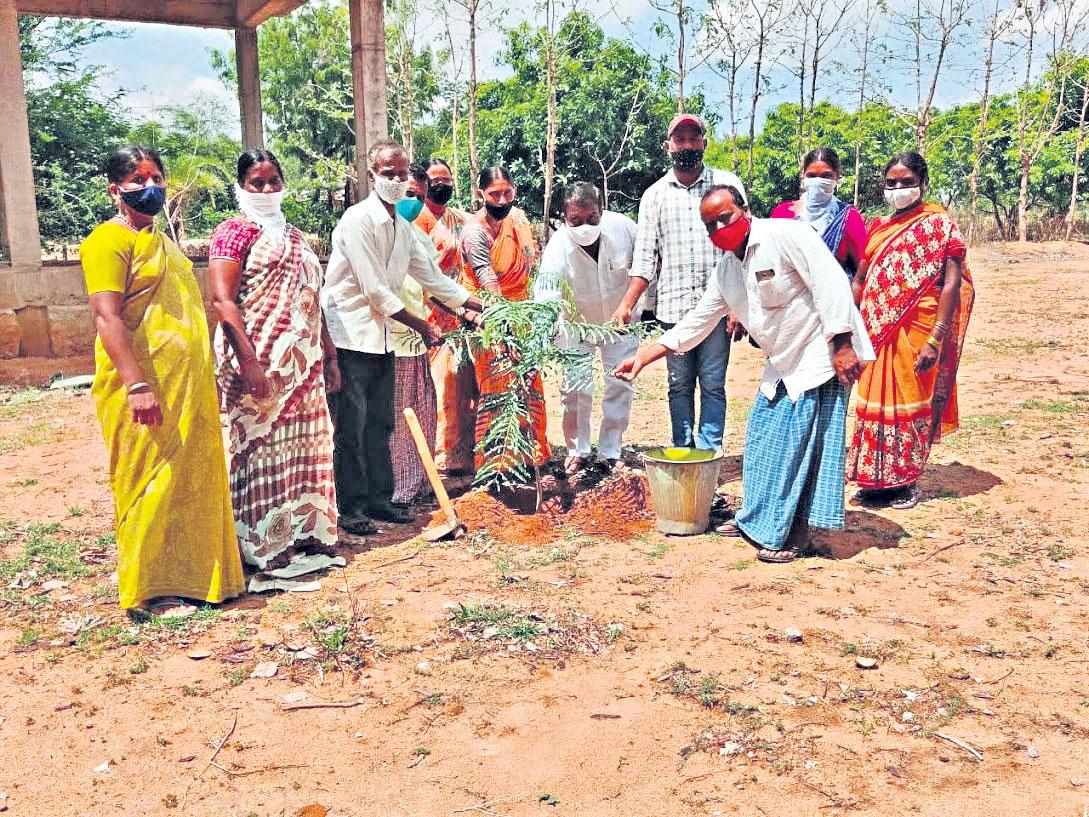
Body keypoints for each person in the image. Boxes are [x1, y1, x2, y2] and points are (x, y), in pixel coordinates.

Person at [616, 185, 875, 563]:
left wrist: (844, 344)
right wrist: (646, 356)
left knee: (802, 447)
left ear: (745, 211)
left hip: (823, 353)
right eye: (711, 224)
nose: (720, 227)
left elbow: (830, 282)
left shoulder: (786, 235)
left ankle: (794, 535)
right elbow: (699, 320)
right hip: (784, 359)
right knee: (760, 440)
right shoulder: (727, 270)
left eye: (726, 217)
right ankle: (757, 519)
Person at [80, 145, 244, 614]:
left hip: (186, 384)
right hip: (145, 385)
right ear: (116, 190)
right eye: (137, 179)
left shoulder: (162, 239)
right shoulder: (107, 242)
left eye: (157, 177)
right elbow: (106, 317)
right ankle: (147, 591)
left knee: (191, 478)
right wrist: (135, 384)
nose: (150, 187)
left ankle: (194, 577)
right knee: (150, 480)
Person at [322, 139, 483, 533]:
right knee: (353, 426)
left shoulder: (402, 228)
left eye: (402, 173)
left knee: (381, 423)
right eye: (387, 173)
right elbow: (374, 289)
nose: (395, 180)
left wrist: (478, 306)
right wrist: (422, 325)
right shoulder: (357, 221)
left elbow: (432, 277)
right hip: (350, 335)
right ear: (372, 174)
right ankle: (352, 508)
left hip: (383, 337)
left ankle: (380, 500)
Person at [208, 149, 340, 573]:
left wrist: (330, 356)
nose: (266, 190)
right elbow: (224, 301)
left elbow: (312, 302)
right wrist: (249, 364)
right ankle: (263, 544)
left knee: (305, 447)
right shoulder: (233, 232)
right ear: (241, 186)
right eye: (256, 183)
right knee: (261, 451)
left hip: (304, 365)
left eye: (273, 181)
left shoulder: (298, 237)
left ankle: (307, 532)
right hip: (258, 360)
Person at [846, 152, 975, 510]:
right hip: (873, 329)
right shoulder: (878, 227)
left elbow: (951, 284)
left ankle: (905, 482)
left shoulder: (940, 224)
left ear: (923, 183)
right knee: (871, 402)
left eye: (906, 182)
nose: (899, 188)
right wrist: (850, 325)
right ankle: (874, 479)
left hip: (919, 326)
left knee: (909, 399)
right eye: (892, 183)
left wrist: (936, 337)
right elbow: (860, 279)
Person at [612, 113, 747, 451]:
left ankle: (708, 455)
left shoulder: (725, 185)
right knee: (679, 386)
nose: (687, 144)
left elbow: (744, 246)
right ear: (667, 146)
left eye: (693, 137)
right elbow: (645, 259)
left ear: (704, 142)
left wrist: (739, 304)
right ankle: (683, 452)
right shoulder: (654, 196)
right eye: (680, 139)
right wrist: (626, 305)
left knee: (714, 384)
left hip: (718, 308)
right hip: (673, 308)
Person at [534, 181, 639, 474]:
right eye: (575, 221)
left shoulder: (624, 229)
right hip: (576, 325)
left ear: (601, 210)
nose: (584, 226)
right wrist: (545, 334)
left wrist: (643, 306)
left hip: (620, 322)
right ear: (564, 217)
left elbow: (645, 267)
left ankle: (610, 450)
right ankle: (577, 450)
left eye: (591, 218)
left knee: (620, 382)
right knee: (575, 388)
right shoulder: (558, 246)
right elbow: (547, 295)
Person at [460, 166, 551, 473]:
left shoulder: (519, 220)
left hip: (522, 314)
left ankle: (531, 456)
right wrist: (504, 323)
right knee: (497, 385)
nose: (501, 200)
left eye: (507, 193)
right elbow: (487, 278)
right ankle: (495, 465)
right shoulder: (474, 232)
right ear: (480, 194)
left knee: (529, 380)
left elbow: (531, 267)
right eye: (494, 194)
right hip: (487, 317)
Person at [415, 158, 477, 478]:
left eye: (447, 179)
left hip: (466, 315)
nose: (443, 185)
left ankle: (466, 454)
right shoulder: (417, 220)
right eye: (436, 180)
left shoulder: (460, 219)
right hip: (434, 314)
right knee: (443, 389)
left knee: (466, 387)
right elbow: (425, 279)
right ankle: (443, 458)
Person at [388, 164, 440, 507]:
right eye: (409, 195)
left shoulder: (418, 237)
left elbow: (432, 287)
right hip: (390, 342)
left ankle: (422, 484)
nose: (415, 203)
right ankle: (400, 491)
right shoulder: (376, 231)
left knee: (424, 413)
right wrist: (424, 327)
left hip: (417, 342)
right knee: (399, 421)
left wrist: (464, 310)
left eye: (420, 198)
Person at [770, 147, 866, 280]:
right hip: (790, 296)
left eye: (826, 176)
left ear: (836, 176)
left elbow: (862, 265)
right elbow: (772, 258)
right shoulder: (782, 213)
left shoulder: (848, 216)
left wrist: (853, 298)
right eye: (812, 176)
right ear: (803, 175)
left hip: (834, 295)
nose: (818, 181)